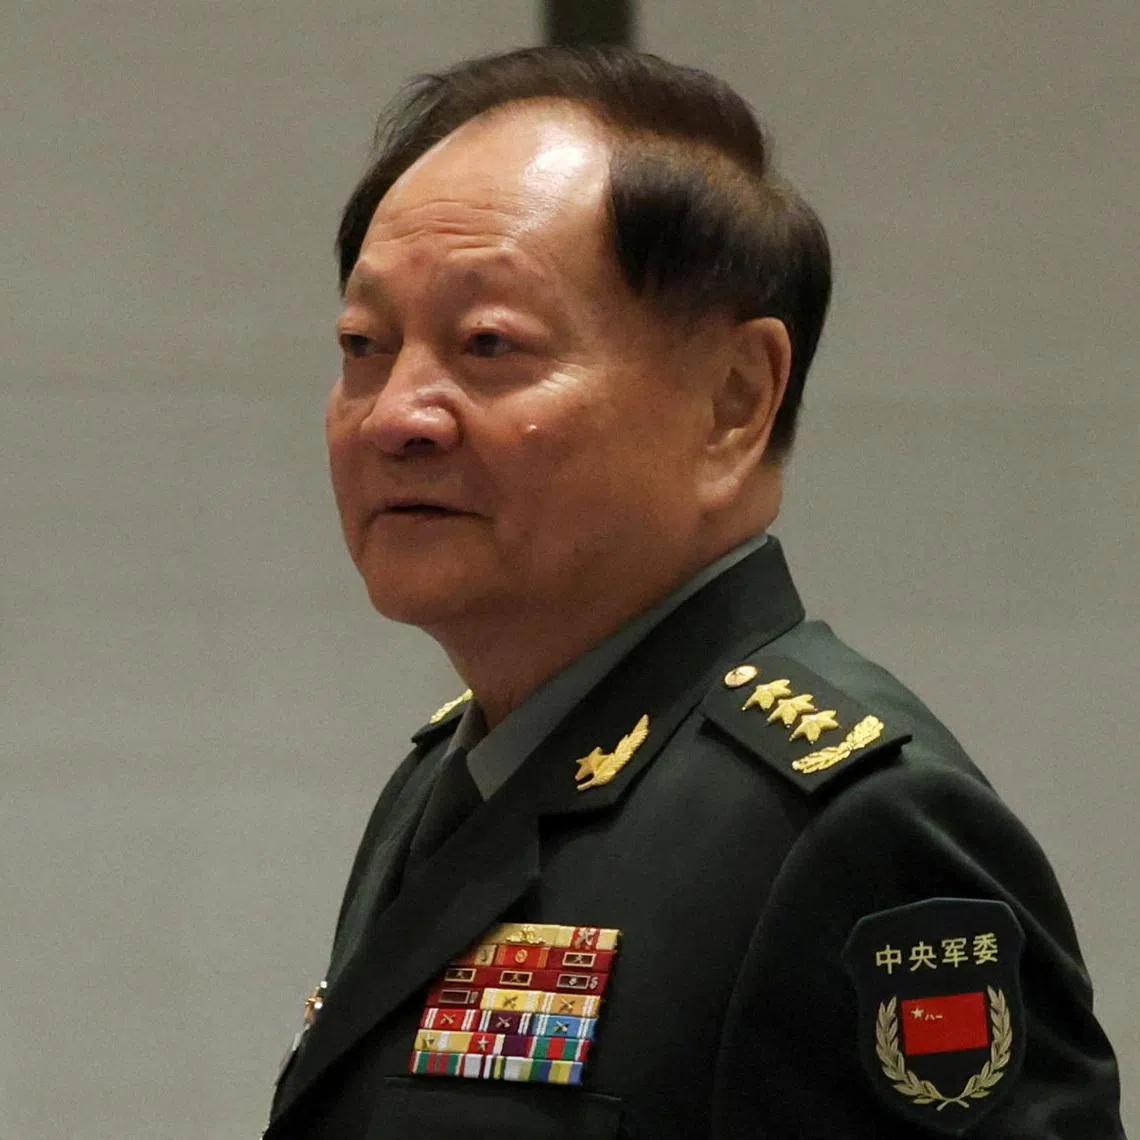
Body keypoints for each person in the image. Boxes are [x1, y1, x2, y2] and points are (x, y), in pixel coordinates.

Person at [264, 45, 1124, 1139]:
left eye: (488, 345)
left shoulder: (857, 832)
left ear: (733, 400)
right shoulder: (455, 774)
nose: (397, 415)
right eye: (362, 345)